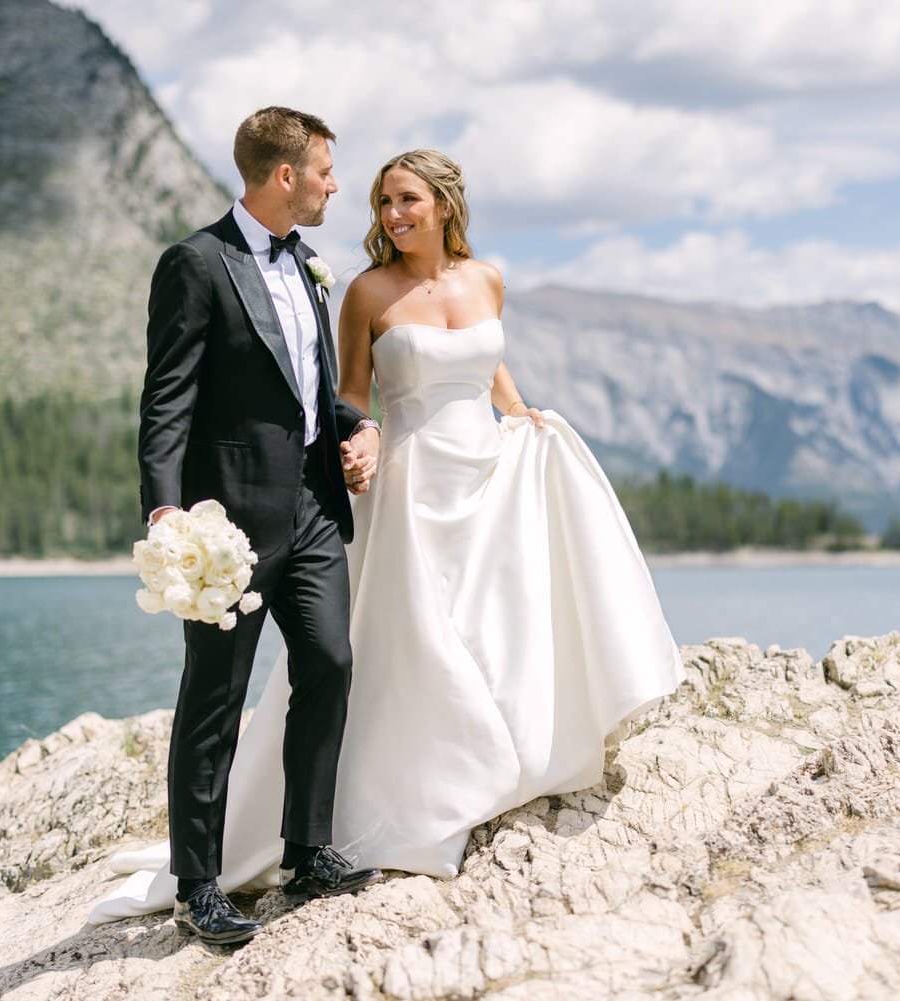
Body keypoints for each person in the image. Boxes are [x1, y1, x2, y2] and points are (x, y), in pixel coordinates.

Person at [90, 148, 680, 923]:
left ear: (443, 203)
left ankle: (357, 827)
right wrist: (354, 436)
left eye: (405, 200)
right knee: (378, 648)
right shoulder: (359, 288)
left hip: (477, 473)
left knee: (437, 635)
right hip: (402, 486)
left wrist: (523, 414)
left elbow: (489, 360)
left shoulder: (483, 279)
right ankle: (220, 871)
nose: (389, 215)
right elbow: (345, 392)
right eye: (380, 202)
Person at [132, 106, 383, 945]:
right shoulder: (196, 263)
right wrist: (166, 509)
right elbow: (167, 396)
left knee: (330, 662)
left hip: (312, 511)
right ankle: (196, 885)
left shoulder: (310, 267)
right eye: (323, 171)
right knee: (215, 698)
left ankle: (306, 849)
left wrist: (357, 428)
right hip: (226, 526)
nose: (333, 186)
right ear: (286, 176)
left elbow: (309, 390)